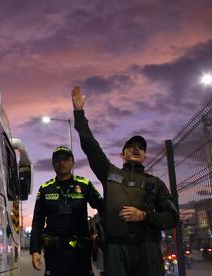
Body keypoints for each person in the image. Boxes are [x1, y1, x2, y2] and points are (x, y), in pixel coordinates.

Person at [71, 85, 179, 276]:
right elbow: (90, 146)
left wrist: (144, 216)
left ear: (145, 156)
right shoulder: (110, 173)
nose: (136, 148)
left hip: (148, 249)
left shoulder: (155, 183)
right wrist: (79, 113)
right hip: (116, 250)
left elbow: (172, 218)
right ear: (122, 154)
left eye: (140, 147)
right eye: (131, 146)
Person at [30, 146, 103, 276]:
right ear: (53, 164)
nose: (61, 163)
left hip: (80, 250)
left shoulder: (84, 184)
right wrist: (35, 250)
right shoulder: (45, 189)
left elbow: (103, 208)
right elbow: (37, 222)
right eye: (57, 160)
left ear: (72, 162)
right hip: (54, 252)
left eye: (65, 159)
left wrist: (99, 233)